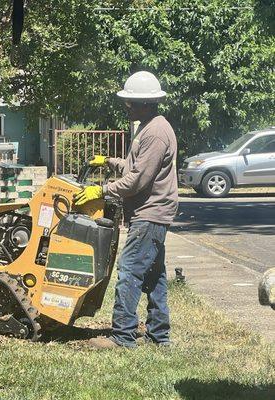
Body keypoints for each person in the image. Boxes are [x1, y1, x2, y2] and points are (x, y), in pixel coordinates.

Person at [73, 71, 178, 349]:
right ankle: (160, 336)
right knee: (154, 277)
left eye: (130, 102)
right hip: (152, 213)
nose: (126, 106)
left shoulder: (155, 132)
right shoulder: (150, 126)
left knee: (129, 271)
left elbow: (138, 180)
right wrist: (109, 161)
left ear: (145, 103)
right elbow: (135, 167)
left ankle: (122, 337)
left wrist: (102, 190)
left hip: (150, 213)